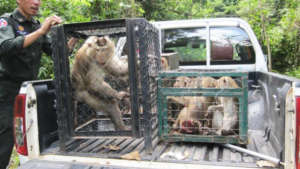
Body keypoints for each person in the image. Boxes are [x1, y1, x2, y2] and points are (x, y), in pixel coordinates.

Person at [0, 0, 72, 168]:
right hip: (7, 91)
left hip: (28, 89)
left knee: (30, 136)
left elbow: (55, 52)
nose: (36, 2)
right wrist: (41, 31)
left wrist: (71, 36)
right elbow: (4, 47)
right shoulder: (7, 21)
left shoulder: (35, 25)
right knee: (5, 138)